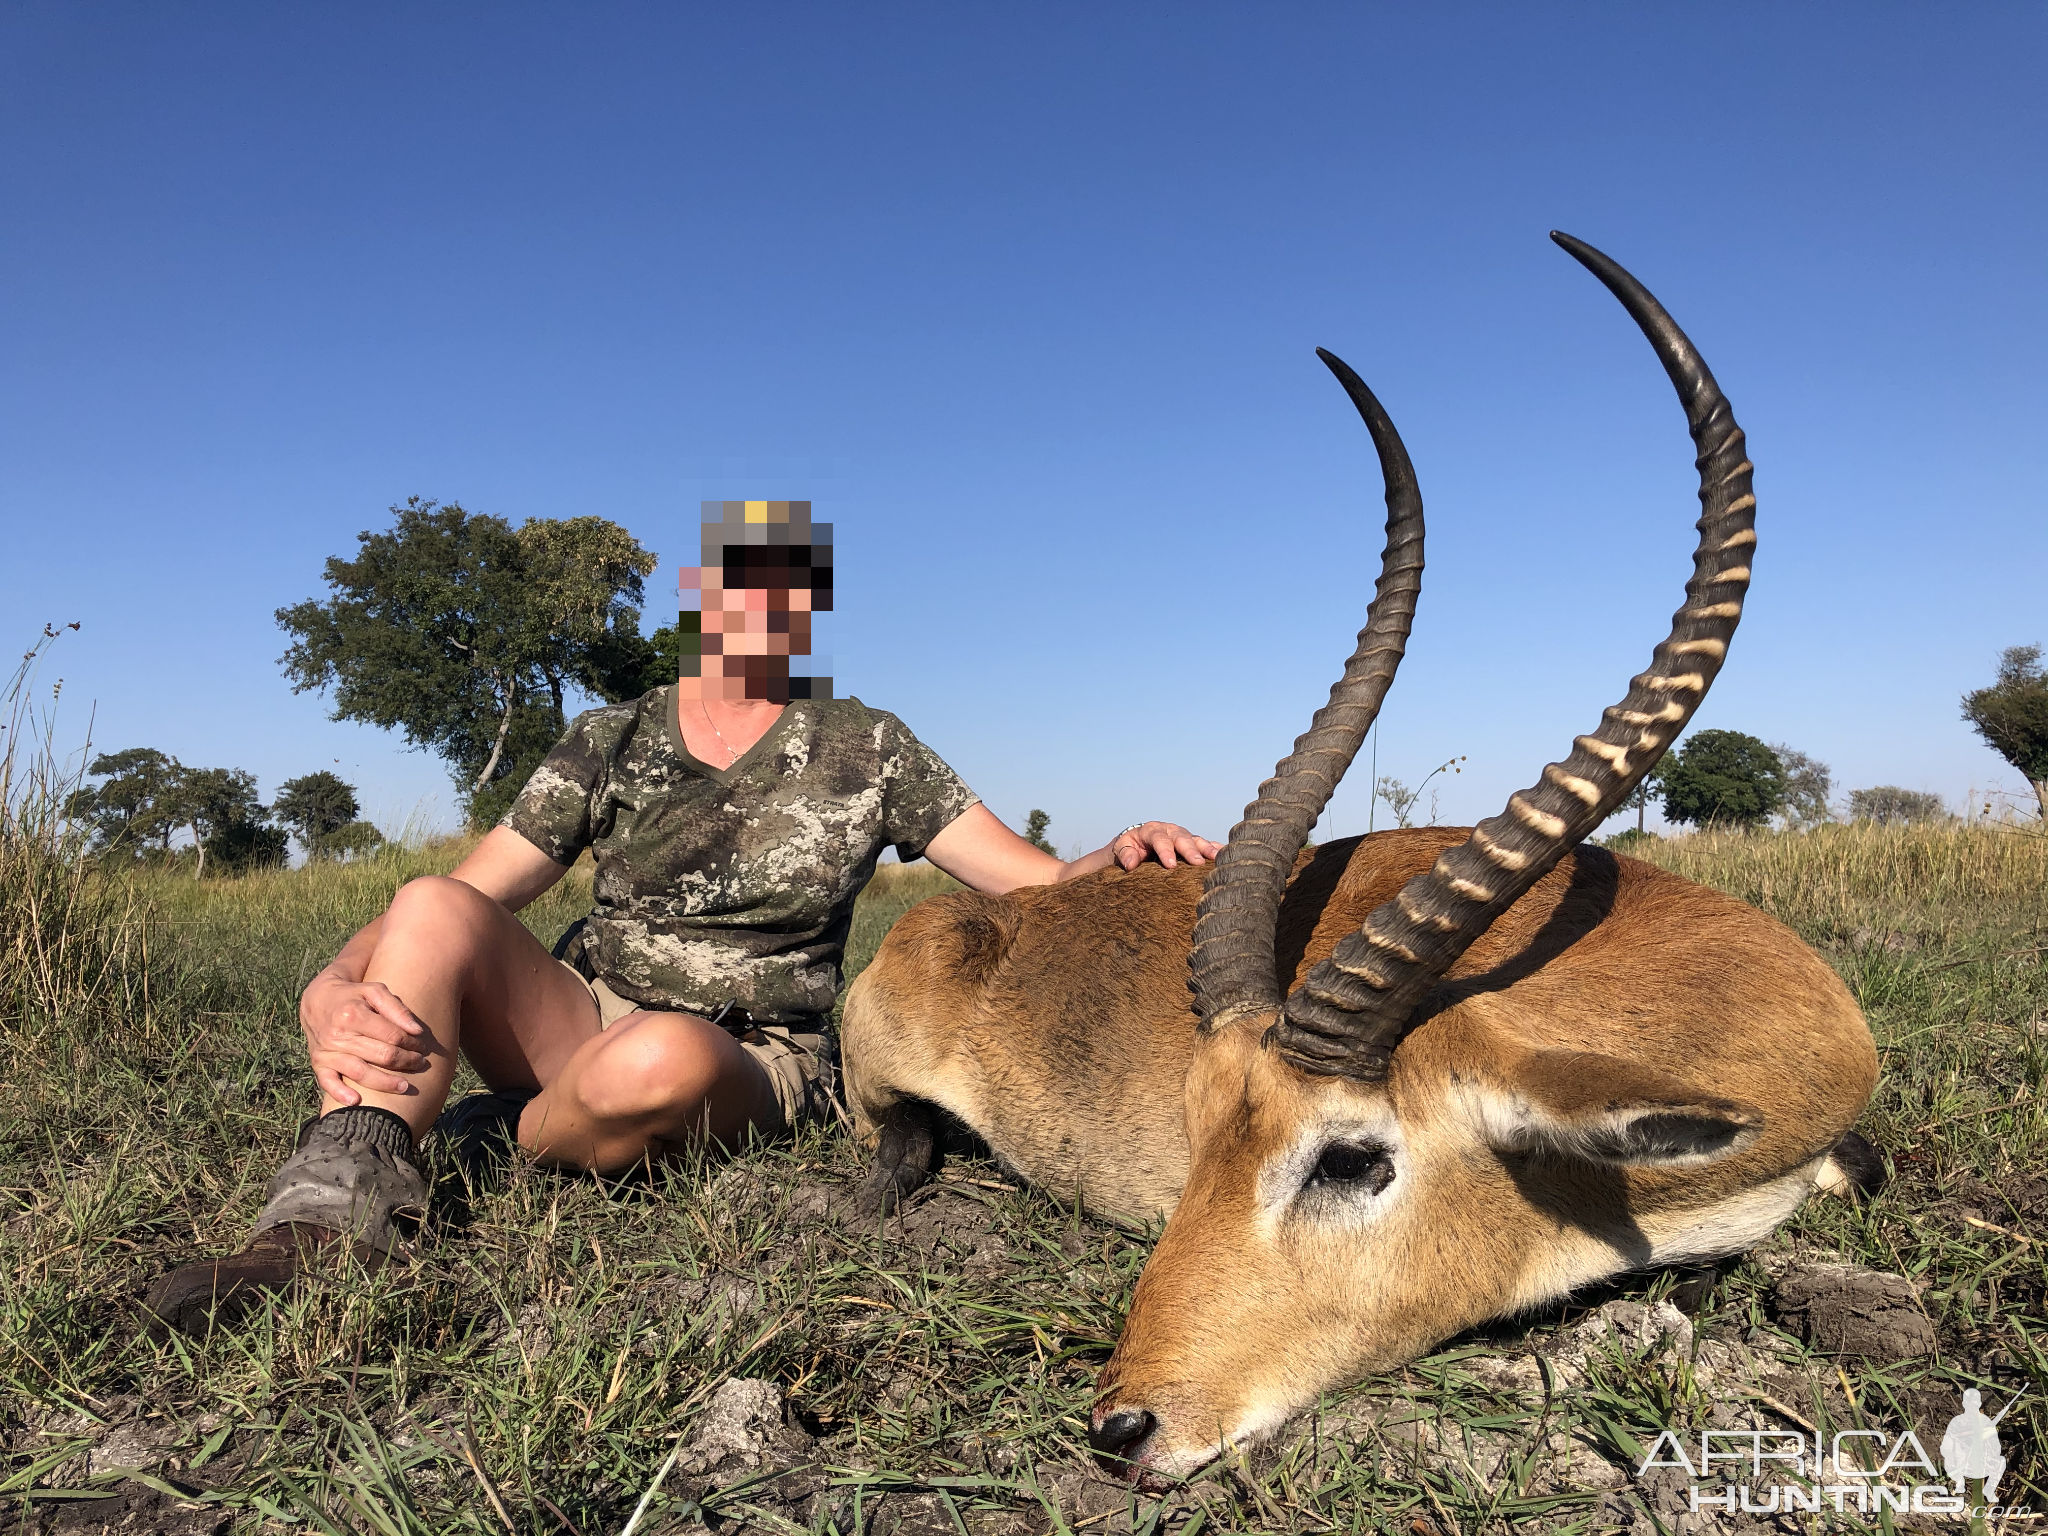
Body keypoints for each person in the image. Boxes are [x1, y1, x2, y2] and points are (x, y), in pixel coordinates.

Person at [144, 501, 1218, 1333]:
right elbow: (470, 893)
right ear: (696, 587)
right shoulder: (609, 736)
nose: (770, 606)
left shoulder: (869, 745)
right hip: (580, 1008)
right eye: (748, 581)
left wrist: (1117, 854)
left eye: (793, 588)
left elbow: (1022, 879)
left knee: (655, 1063)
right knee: (428, 904)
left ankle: (490, 1131)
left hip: (750, 1056)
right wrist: (331, 981)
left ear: (811, 606)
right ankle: (322, 1223)